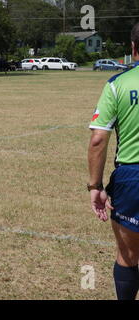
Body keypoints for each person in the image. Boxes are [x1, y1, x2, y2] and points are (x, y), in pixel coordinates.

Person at [88, 22, 139, 300]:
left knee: (128, 255)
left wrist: (95, 186)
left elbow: (98, 140)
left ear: (132, 48)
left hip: (132, 179)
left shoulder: (117, 84)